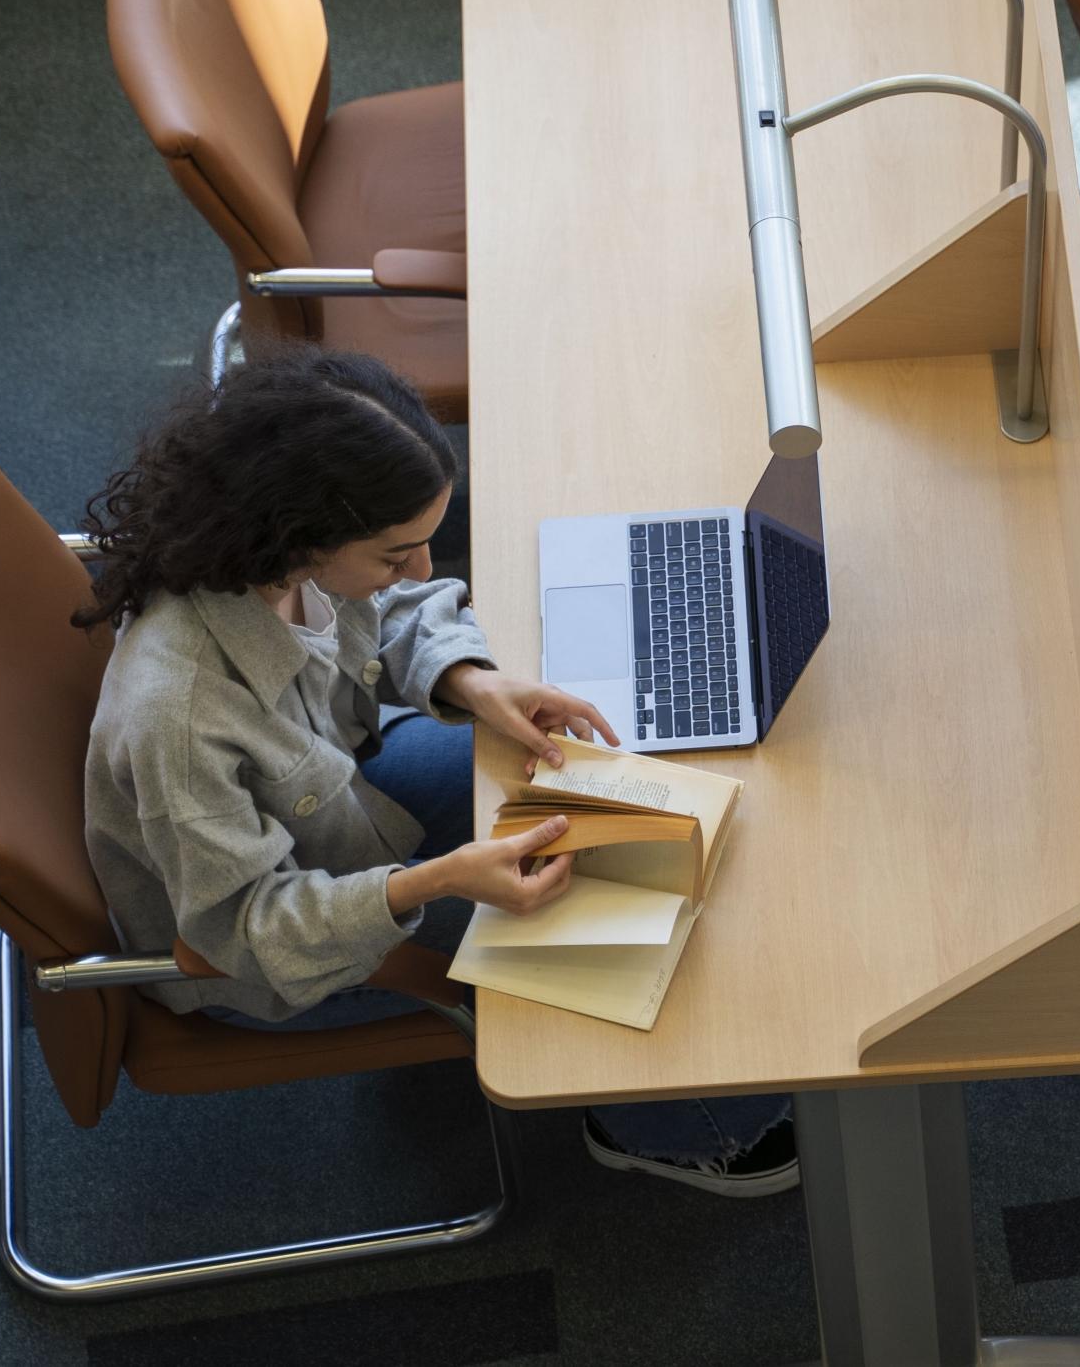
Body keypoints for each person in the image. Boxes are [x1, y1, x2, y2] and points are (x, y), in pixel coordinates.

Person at [75, 347, 795, 1194]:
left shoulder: (269, 556)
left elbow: (390, 604)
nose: (424, 568)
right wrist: (440, 880)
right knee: (610, 921)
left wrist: (470, 679)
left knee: (606, 791)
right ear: (299, 533)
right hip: (278, 948)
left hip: (344, 797)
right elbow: (243, 929)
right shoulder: (181, 713)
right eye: (396, 552)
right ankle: (681, 1129)